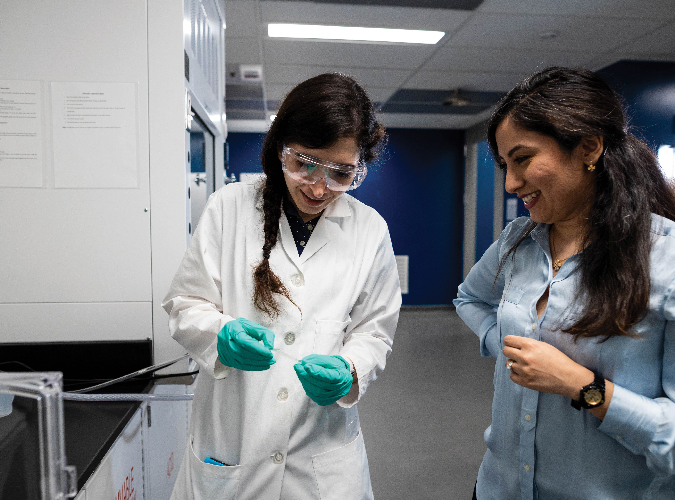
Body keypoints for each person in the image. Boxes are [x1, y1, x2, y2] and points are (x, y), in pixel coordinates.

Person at [162, 73, 401, 499]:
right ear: (279, 149)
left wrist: (350, 371)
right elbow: (186, 302)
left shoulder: (369, 230)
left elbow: (374, 332)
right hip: (235, 443)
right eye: (303, 162)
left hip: (322, 459)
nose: (317, 186)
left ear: (358, 167)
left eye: (340, 173)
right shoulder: (228, 208)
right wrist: (220, 337)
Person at [454, 67, 675, 499]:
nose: (512, 183)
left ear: (589, 147)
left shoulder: (664, 258)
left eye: (522, 159)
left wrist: (582, 386)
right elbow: (470, 299)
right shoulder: (517, 241)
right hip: (499, 486)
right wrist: (505, 342)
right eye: (504, 165)